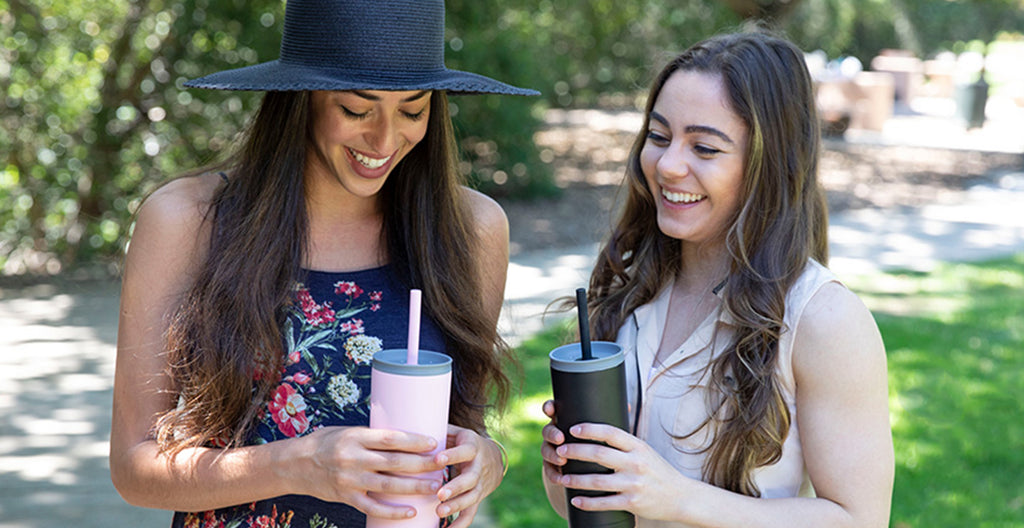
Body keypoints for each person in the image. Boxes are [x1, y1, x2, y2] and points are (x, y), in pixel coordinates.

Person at [110, 1, 537, 527]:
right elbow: (135, 467)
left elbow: (463, 431)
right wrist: (296, 464)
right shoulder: (187, 221)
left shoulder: (470, 230)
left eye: (413, 110)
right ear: (301, 100)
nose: (384, 140)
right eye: (358, 110)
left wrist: (488, 460)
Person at [540, 30, 894, 526]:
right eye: (659, 137)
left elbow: (859, 519)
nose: (667, 165)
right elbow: (584, 507)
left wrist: (678, 497)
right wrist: (569, 472)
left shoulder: (824, 319)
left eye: (704, 148)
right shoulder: (631, 286)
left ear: (767, 166)